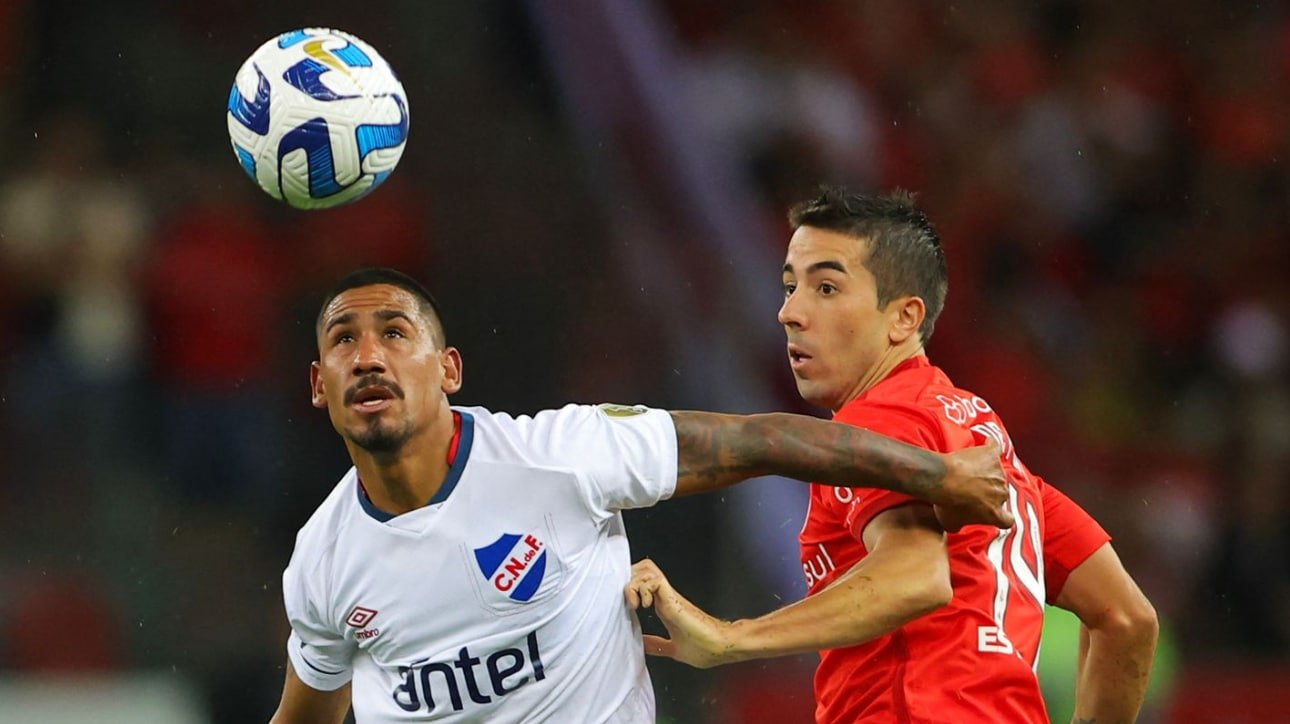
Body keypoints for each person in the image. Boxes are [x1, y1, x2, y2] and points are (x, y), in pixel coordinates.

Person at [268, 266, 1013, 723]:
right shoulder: (322, 560)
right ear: (318, 385)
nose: (367, 356)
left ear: (450, 370)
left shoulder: (562, 456)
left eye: (395, 333)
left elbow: (759, 440)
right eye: (342, 341)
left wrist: (939, 476)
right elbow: (308, 713)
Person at [626, 188, 1159, 723]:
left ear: (904, 318)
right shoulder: (991, 451)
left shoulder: (883, 423)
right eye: (790, 286)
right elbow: (1127, 619)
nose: (790, 312)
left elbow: (915, 578)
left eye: (827, 287)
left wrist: (730, 637)